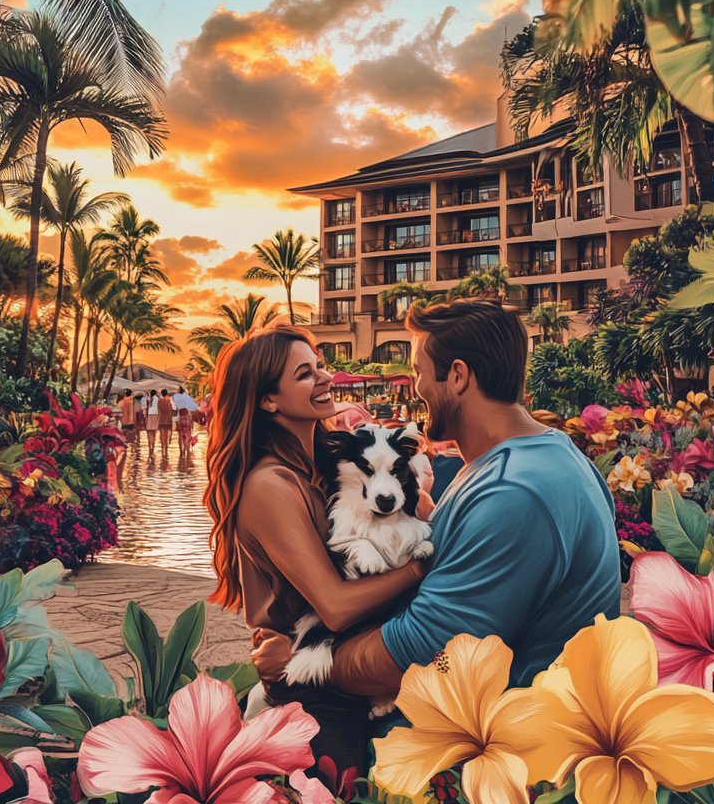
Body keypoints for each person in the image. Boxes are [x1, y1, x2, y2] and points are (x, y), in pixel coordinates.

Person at [252, 299, 621, 713]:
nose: (417, 387)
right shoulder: (541, 457)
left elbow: (420, 652)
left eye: (419, 372)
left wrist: (305, 662)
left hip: (489, 745)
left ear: (458, 376)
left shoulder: (514, 492)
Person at [205, 326, 426, 772]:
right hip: (312, 692)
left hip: (352, 667)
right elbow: (336, 607)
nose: (324, 378)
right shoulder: (270, 484)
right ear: (268, 400)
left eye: (320, 365)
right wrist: (419, 567)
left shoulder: (329, 466)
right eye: (305, 374)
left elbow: (419, 512)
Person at [172, 385, 198, 458]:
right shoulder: (187, 397)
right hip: (187, 418)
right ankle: (187, 449)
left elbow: (173, 407)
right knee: (188, 435)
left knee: (180, 436)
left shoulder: (175, 397)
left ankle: (181, 452)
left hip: (179, 418)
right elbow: (194, 406)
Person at [156, 388, 174, 461]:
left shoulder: (158, 401)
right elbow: (170, 412)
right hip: (166, 421)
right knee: (166, 436)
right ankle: (165, 451)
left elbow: (158, 411)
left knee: (161, 435)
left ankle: (162, 448)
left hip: (160, 420)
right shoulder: (168, 402)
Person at [144, 388, 160, 459]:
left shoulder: (150, 400)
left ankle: (150, 446)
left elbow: (147, 409)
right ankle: (152, 447)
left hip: (150, 416)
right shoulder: (157, 399)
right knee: (154, 432)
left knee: (149, 432)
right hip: (155, 416)